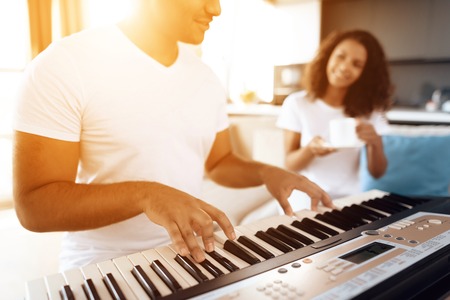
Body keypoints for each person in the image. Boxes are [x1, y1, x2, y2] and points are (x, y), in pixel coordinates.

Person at [13, 0, 333, 271]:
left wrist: (266, 171)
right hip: (104, 264)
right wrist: (146, 194)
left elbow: (219, 162)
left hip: (192, 255)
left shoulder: (205, 78)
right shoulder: (65, 64)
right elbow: (34, 206)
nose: (217, 9)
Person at [276, 29, 393, 201]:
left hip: (348, 202)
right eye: (340, 56)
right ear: (327, 56)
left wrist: (375, 142)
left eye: (356, 64)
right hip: (305, 199)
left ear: (365, 73)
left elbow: (377, 172)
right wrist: (310, 150)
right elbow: (289, 164)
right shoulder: (297, 103)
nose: (345, 67)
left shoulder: (370, 112)